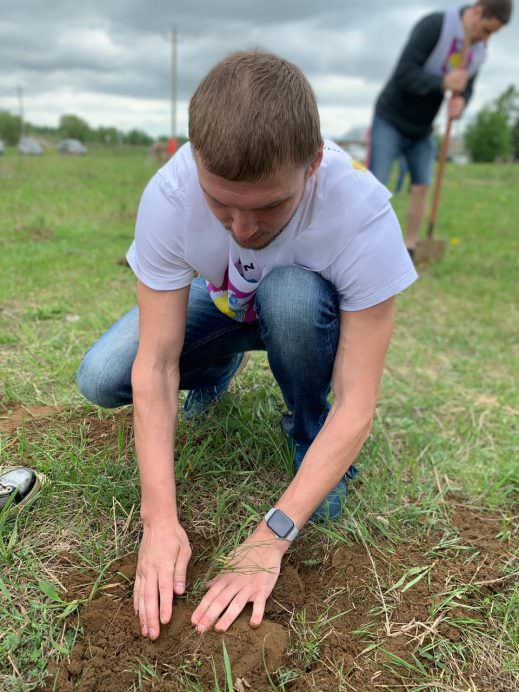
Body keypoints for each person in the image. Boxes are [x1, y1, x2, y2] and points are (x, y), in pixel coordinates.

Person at [77, 51, 417, 641]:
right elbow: (154, 363)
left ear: (312, 164)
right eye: (220, 204)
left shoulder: (362, 215)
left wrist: (272, 536)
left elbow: (357, 401)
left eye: (267, 207)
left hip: (304, 314)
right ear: (196, 163)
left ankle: (308, 437)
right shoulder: (171, 193)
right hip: (227, 303)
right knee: (102, 373)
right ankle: (216, 368)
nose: (241, 229)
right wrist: (158, 520)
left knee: (289, 296)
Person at [369, 0, 513, 258]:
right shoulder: (434, 26)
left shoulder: (478, 52)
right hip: (390, 118)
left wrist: (461, 102)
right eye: (487, 30)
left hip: (422, 128)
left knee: (422, 184)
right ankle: (366, 246)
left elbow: (466, 87)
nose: (486, 38)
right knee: (375, 186)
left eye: (493, 34)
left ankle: (410, 248)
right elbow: (404, 73)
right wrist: (443, 82)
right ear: (477, 12)